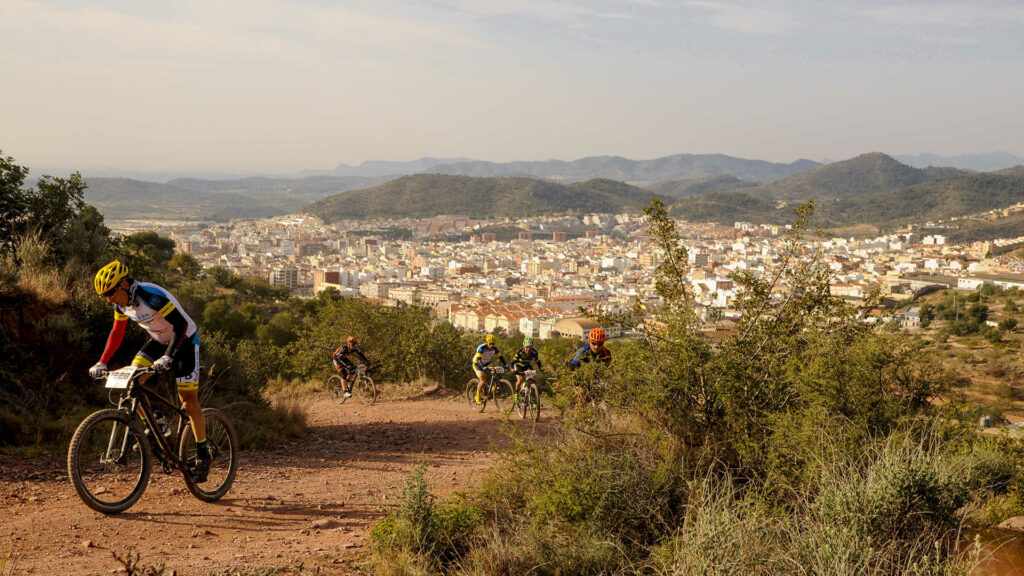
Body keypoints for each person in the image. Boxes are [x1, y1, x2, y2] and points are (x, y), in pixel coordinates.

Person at [89, 260, 211, 482]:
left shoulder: (150, 295)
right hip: (157, 341)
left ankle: (203, 454)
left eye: (110, 292)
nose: (108, 299)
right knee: (131, 379)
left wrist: (168, 356)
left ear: (124, 284)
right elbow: (117, 333)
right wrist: (102, 362)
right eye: (104, 295)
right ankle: (157, 424)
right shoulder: (121, 304)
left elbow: (181, 325)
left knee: (188, 403)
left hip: (184, 341)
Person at [472, 334, 508, 405]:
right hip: (477, 364)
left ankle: (493, 389)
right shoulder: (482, 348)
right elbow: (479, 359)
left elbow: (501, 357)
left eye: (493, 344)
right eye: (490, 343)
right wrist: (483, 367)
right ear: (487, 342)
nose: (492, 345)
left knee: (495, 370)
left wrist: (506, 364)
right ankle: (477, 397)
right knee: (482, 381)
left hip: (486, 363)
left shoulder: (495, 349)